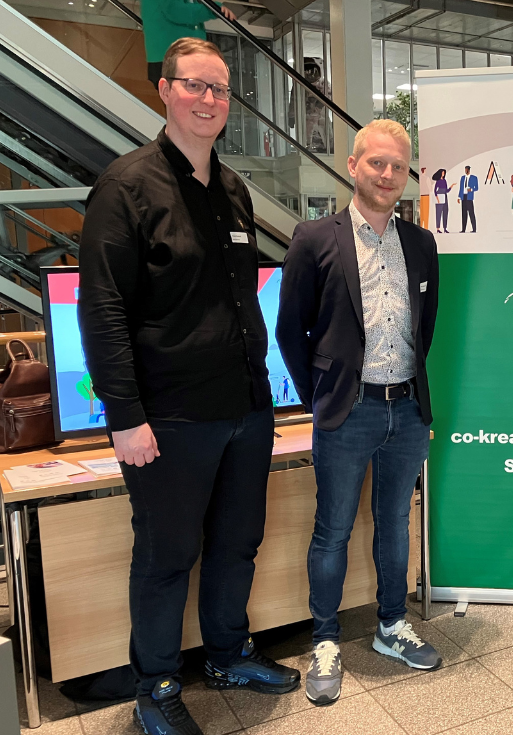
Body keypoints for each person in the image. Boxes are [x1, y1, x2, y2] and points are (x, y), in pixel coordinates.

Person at [78, 38, 299, 735]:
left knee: (238, 543)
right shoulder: (126, 188)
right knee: (167, 556)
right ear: (166, 91)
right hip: (169, 417)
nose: (210, 100)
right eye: (196, 86)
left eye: (221, 90)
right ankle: (157, 685)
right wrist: (124, 415)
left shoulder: (231, 191)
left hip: (245, 406)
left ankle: (229, 655)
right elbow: (103, 307)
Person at [276, 118, 442, 707]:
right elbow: (289, 329)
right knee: (334, 529)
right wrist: (317, 396)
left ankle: (391, 626)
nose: (389, 174)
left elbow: (426, 326)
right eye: (378, 163)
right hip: (347, 412)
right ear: (353, 166)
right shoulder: (314, 238)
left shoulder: (421, 244)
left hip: (409, 411)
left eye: (399, 165)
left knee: (395, 525)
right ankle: (325, 639)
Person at [142, 0, 235, 89]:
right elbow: (176, 11)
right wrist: (212, 9)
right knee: (190, 101)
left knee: (192, 100)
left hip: (176, 56)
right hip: (173, 57)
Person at [288, 58, 333, 153]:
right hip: (305, 116)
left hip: (321, 115)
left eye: (313, 71)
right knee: (306, 133)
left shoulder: (323, 84)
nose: (310, 74)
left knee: (325, 132)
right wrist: (291, 116)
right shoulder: (298, 85)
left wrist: (318, 105)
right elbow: (293, 101)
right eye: (307, 71)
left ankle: (327, 147)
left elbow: (329, 97)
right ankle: (308, 147)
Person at [431, 168, 454, 233]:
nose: (443, 174)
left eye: (444, 173)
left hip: (444, 197)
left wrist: (451, 187)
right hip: (439, 197)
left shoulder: (444, 181)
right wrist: (437, 198)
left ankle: (445, 228)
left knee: (445, 212)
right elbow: (435, 190)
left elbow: (447, 190)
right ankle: (438, 228)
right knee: (438, 213)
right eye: (443, 172)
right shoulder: (438, 181)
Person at [459, 165, 479, 233]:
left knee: (471, 213)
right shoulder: (462, 178)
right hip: (463, 197)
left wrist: (472, 189)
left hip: (469, 197)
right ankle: (463, 229)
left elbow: (476, 187)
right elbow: (461, 188)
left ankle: (474, 229)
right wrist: (459, 197)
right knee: (464, 213)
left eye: (466, 169)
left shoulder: (474, 178)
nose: (465, 171)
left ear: (469, 170)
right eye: (465, 169)